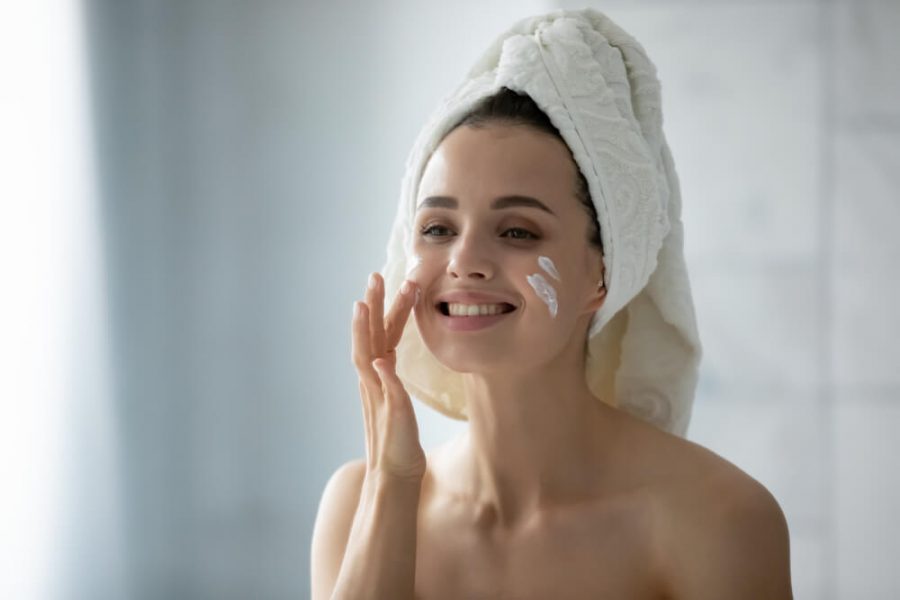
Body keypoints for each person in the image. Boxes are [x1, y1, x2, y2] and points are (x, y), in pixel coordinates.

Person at [311, 8, 792, 600]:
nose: (464, 260)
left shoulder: (717, 519)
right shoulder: (357, 503)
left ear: (603, 275)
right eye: (437, 228)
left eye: (518, 232)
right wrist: (392, 483)